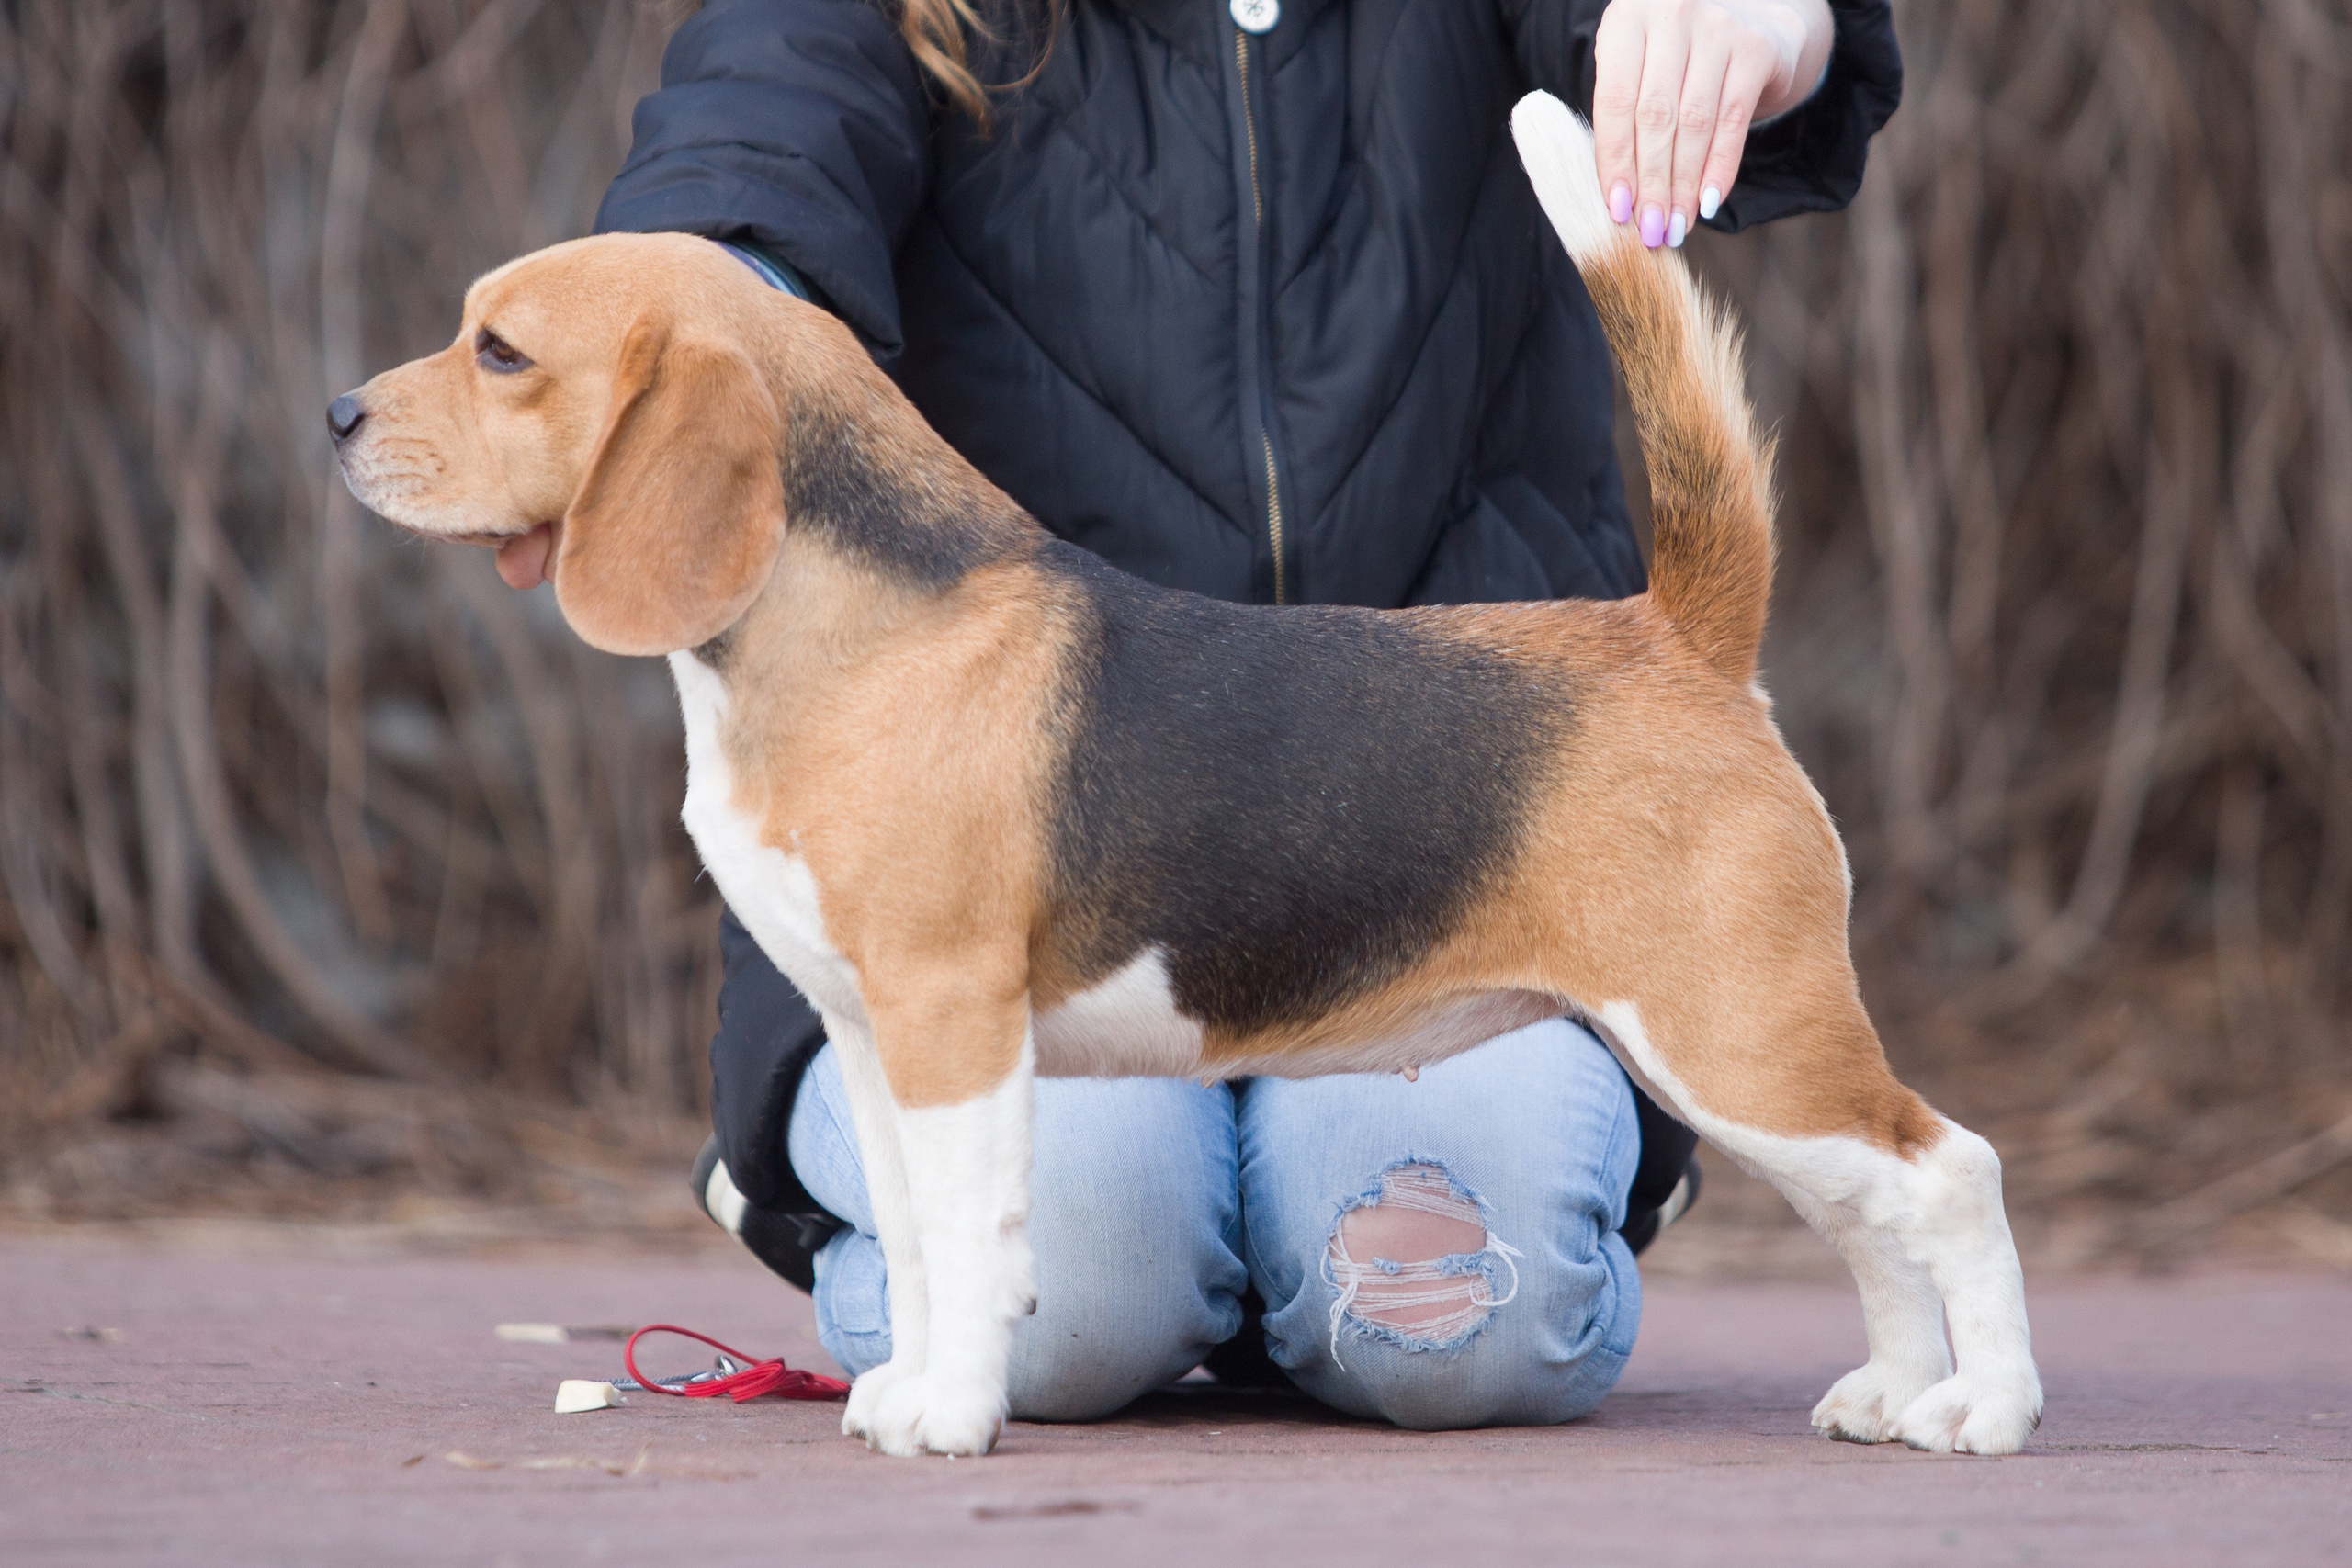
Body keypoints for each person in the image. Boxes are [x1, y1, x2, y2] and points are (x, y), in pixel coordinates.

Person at [554, 0, 1898, 1429]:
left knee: (1441, 1315)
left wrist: (1772, 17)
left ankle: (1287, 1280)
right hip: (996, 886)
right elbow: (748, 152)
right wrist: (676, 339)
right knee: (1065, 1309)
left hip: (1471, 829)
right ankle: (1178, 1279)